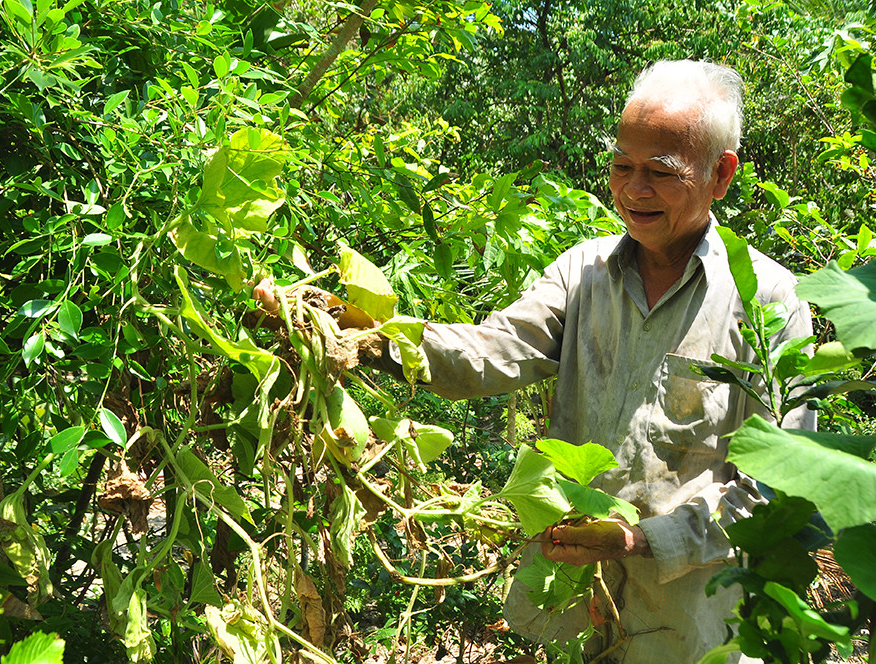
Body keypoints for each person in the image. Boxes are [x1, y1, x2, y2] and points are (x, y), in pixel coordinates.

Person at [255, 59, 813, 662]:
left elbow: (778, 490)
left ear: (720, 174)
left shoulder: (768, 301)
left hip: (691, 623)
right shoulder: (583, 273)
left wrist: (642, 538)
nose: (633, 190)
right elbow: (490, 352)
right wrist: (361, 332)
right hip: (574, 605)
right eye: (622, 166)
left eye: (660, 172)